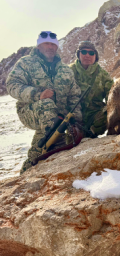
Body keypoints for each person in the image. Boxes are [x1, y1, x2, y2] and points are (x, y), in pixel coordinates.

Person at [6, 31, 82, 174]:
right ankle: (57, 143)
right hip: (31, 111)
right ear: (39, 45)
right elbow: (12, 85)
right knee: (46, 106)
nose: (50, 47)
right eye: (46, 43)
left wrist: (75, 124)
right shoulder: (25, 63)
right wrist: (36, 94)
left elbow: (74, 96)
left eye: (53, 44)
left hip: (57, 118)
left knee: (40, 148)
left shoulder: (65, 70)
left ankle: (27, 170)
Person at [69, 41, 114, 137]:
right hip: (73, 117)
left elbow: (111, 97)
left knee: (109, 111)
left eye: (91, 53)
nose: (87, 55)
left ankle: (91, 134)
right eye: (84, 52)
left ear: (95, 56)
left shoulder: (103, 75)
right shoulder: (68, 72)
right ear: (79, 54)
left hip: (94, 117)